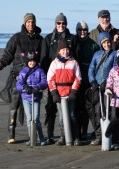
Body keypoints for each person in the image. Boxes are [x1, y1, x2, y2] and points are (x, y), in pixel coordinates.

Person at [0, 13, 43, 144]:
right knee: (14, 107)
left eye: (32, 22)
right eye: (28, 22)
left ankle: (34, 136)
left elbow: (44, 59)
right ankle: (11, 134)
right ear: (25, 23)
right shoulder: (16, 38)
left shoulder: (40, 40)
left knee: (32, 112)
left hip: (34, 82)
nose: (30, 24)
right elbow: (7, 56)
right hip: (17, 79)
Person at [40, 13, 77, 145]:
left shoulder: (72, 38)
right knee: (50, 108)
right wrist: (47, 83)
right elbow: (43, 60)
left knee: (71, 111)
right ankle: (50, 135)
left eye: (63, 23)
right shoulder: (48, 39)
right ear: (55, 24)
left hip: (68, 81)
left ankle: (71, 135)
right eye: (58, 23)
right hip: (52, 80)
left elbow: (75, 58)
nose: (61, 25)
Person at [47, 39, 82, 145]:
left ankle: (75, 137)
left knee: (72, 115)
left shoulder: (74, 62)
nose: (65, 51)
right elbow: (50, 79)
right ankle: (63, 136)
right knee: (62, 116)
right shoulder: (54, 63)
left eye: (67, 49)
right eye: (63, 50)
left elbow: (78, 78)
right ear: (59, 51)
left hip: (70, 93)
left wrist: (73, 91)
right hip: (59, 94)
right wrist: (54, 93)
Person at [87, 31, 117, 145]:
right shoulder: (97, 54)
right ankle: (99, 135)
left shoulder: (114, 54)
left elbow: (115, 69)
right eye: (104, 42)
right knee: (97, 111)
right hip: (96, 87)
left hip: (108, 87)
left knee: (108, 111)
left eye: (108, 42)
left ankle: (110, 136)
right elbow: (91, 68)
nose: (106, 44)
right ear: (101, 43)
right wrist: (93, 81)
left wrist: (107, 82)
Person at [74, 21, 99, 142]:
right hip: (75, 81)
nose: (82, 32)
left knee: (87, 108)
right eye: (80, 30)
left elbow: (98, 62)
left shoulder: (93, 45)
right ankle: (76, 133)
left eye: (84, 30)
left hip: (89, 80)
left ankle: (84, 132)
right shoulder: (74, 43)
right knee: (76, 108)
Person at [16, 52, 48, 146]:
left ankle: (41, 138)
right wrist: (25, 89)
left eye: (33, 61)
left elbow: (44, 82)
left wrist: (37, 87)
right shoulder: (23, 72)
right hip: (26, 98)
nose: (32, 63)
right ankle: (31, 138)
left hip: (36, 97)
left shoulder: (40, 70)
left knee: (36, 118)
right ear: (27, 62)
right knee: (29, 118)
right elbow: (18, 85)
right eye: (30, 61)